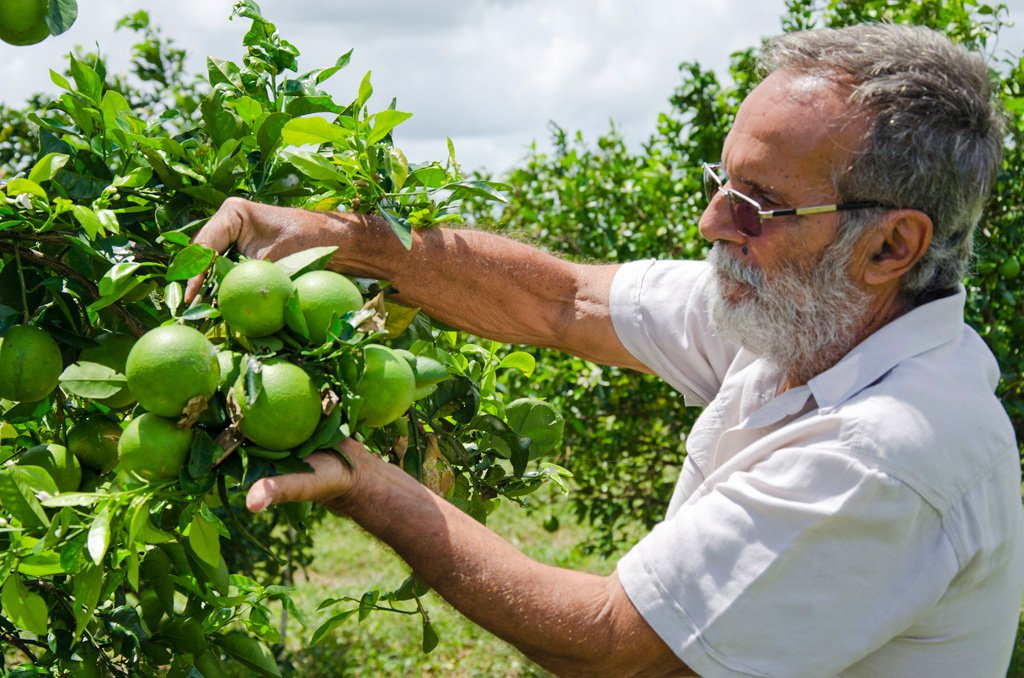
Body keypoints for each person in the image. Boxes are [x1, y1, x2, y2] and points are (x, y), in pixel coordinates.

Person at [187, 23, 1024, 677]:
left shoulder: (885, 452)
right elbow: (564, 299)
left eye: (758, 205)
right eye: (720, 185)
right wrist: (332, 239)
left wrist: (368, 487)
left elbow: (610, 646)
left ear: (890, 247)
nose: (713, 226)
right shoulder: (797, 316)